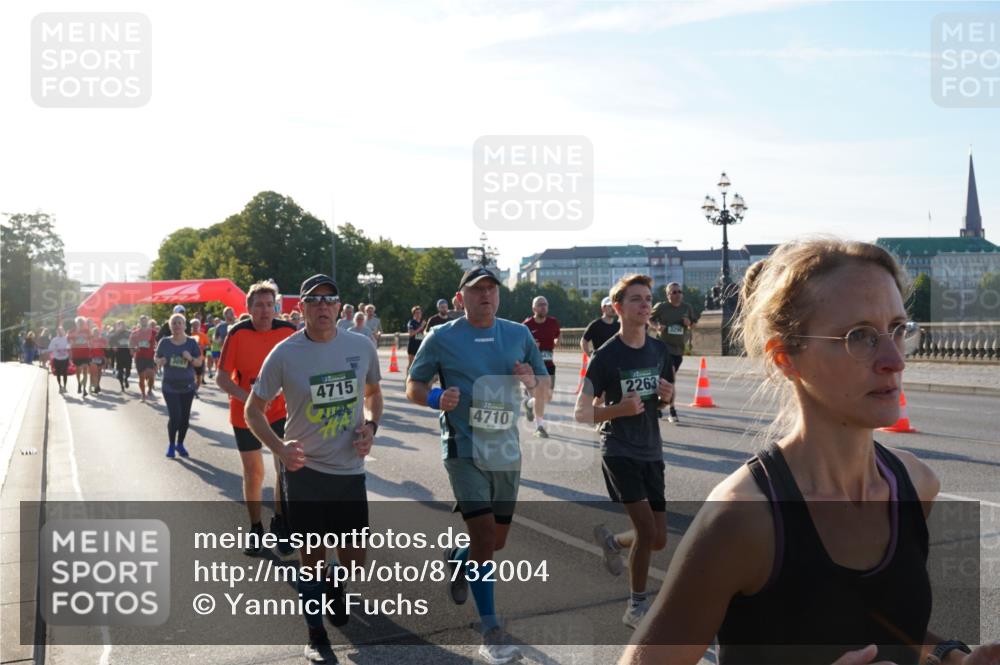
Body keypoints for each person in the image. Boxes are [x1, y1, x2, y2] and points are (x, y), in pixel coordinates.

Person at [619, 239, 1000, 665]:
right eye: (861, 336)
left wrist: (953, 657)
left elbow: (874, 617)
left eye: (898, 329)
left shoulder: (916, 485)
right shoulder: (743, 518)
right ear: (786, 358)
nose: (895, 359)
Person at [407, 266, 548, 665]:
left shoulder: (518, 335)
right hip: (463, 448)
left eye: (491, 289)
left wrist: (531, 381)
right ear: (460, 298)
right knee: (486, 538)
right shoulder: (441, 337)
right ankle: (491, 630)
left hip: (504, 450)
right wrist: (436, 399)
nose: (485, 295)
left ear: (498, 296)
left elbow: (543, 383)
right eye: (477, 290)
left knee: (495, 542)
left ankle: (457, 558)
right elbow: (413, 386)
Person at [246, 274, 382, 664]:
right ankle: (315, 632)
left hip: (349, 470)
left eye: (330, 299)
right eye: (314, 300)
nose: (323, 306)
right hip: (304, 469)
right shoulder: (285, 353)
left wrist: (370, 427)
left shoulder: (361, 345)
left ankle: (336, 586)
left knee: (354, 557)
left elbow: (374, 395)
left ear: (340, 307)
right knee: (312, 555)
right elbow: (251, 411)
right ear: (301, 307)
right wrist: (279, 449)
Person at [573, 274, 675, 629]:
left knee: (658, 538)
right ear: (618, 307)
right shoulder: (605, 357)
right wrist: (617, 410)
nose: (645, 304)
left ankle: (614, 541)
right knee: (648, 533)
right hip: (618, 449)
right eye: (636, 299)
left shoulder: (660, 351)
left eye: (648, 298)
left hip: (651, 448)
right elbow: (582, 412)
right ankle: (635, 607)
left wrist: (667, 397)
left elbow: (659, 404)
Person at [216, 281, 299, 556]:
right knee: (254, 472)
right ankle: (255, 528)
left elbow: (301, 367)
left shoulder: (288, 331)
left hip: (279, 411)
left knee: (283, 469)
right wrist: (250, 400)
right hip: (245, 413)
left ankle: (280, 522)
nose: (265, 311)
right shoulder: (237, 333)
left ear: (276, 307)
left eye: (269, 305)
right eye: (259, 305)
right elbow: (222, 378)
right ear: (248, 308)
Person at [649, 282, 698, 423]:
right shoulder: (661, 307)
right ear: (668, 295)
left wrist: (689, 323)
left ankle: (658, 407)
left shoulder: (687, 308)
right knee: (670, 380)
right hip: (662, 349)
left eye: (679, 292)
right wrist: (657, 326)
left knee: (664, 380)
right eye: (674, 292)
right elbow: (649, 318)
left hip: (678, 350)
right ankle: (672, 410)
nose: (677, 295)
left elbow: (694, 324)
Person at [155, 313, 202, 458]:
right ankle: (171, 444)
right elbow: (156, 357)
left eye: (179, 323)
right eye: (174, 323)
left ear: (185, 326)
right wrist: (159, 361)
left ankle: (180, 444)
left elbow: (199, 363)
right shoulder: (164, 342)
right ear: (170, 326)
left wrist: (190, 358)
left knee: (185, 419)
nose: (177, 325)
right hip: (170, 385)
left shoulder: (191, 343)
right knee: (175, 417)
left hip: (187, 386)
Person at [522, 295, 560, 439]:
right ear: (534, 308)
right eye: (540, 304)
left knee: (547, 397)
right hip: (532, 367)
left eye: (545, 304)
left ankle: (528, 404)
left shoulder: (553, 322)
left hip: (549, 365)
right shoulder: (526, 325)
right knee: (539, 395)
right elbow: (520, 347)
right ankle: (539, 427)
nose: (543, 307)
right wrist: (531, 347)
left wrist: (556, 341)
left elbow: (557, 335)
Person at [129, 315, 158, 401]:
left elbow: (159, 342)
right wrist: (134, 349)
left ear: (147, 322)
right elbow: (131, 345)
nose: (143, 322)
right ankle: (143, 394)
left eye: (145, 321)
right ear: (139, 322)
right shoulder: (135, 333)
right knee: (141, 377)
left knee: (151, 376)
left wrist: (157, 349)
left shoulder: (153, 332)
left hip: (150, 357)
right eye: (142, 321)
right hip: (140, 357)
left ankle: (149, 390)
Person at [67, 317, 92, 396]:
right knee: (78, 370)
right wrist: (73, 343)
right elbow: (69, 341)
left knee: (85, 370)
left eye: (81, 323)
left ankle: (84, 388)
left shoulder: (87, 331)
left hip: (85, 352)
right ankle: (79, 384)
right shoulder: (71, 331)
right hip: (76, 353)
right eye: (79, 323)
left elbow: (91, 339)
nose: (80, 324)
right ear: (76, 323)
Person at [109, 320, 133, 391]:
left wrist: (133, 349)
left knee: (128, 371)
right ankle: (122, 385)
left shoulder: (129, 333)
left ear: (125, 325)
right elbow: (111, 343)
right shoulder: (115, 334)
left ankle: (126, 379)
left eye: (123, 324)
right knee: (120, 371)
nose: (122, 326)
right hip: (119, 354)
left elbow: (134, 341)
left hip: (128, 354)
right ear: (117, 326)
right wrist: (113, 347)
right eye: (120, 325)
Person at [48, 327, 70, 394]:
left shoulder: (66, 339)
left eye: (61, 331)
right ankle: (60, 386)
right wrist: (55, 348)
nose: (60, 332)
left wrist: (66, 348)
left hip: (65, 358)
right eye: (59, 331)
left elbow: (70, 346)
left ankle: (65, 387)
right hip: (57, 359)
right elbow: (50, 348)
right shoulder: (54, 340)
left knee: (65, 373)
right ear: (57, 332)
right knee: (58, 373)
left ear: (63, 331)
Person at [191, 319, 210, 395]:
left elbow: (208, 346)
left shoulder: (203, 335)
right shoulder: (188, 335)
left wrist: (202, 347)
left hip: (200, 358)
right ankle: (191, 389)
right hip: (190, 358)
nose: (195, 326)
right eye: (193, 325)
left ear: (199, 326)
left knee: (199, 377)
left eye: (197, 325)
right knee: (191, 375)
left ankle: (196, 389)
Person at [88, 322, 108, 394]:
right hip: (92, 358)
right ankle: (91, 385)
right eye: (94, 332)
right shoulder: (91, 340)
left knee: (99, 373)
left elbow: (106, 348)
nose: (96, 333)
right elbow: (89, 349)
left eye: (97, 332)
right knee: (93, 373)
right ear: (93, 333)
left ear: (99, 333)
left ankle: (97, 385)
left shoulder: (102, 340)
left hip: (100, 357)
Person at [406, 305, 427, 371]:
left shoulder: (423, 322)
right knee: (411, 364)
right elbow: (411, 334)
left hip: (421, 345)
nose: (418, 314)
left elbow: (424, 334)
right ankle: (407, 379)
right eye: (417, 313)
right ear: (414, 314)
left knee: (421, 363)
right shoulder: (411, 322)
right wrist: (421, 327)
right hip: (412, 345)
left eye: (420, 313)